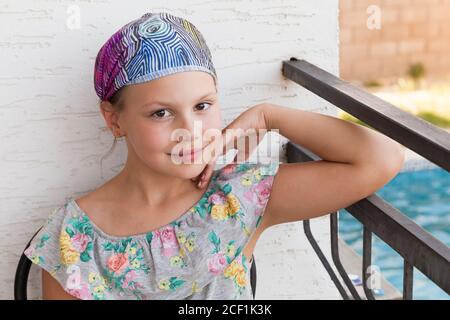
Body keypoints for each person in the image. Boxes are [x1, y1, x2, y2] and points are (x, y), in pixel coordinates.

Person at [24, 12, 405, 300]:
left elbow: (380, 158)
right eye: (161, 112)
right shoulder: (73, 240)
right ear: (114, 120)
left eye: (203, 106)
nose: (190, 130)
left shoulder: (238, 196)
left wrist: (267, 115)